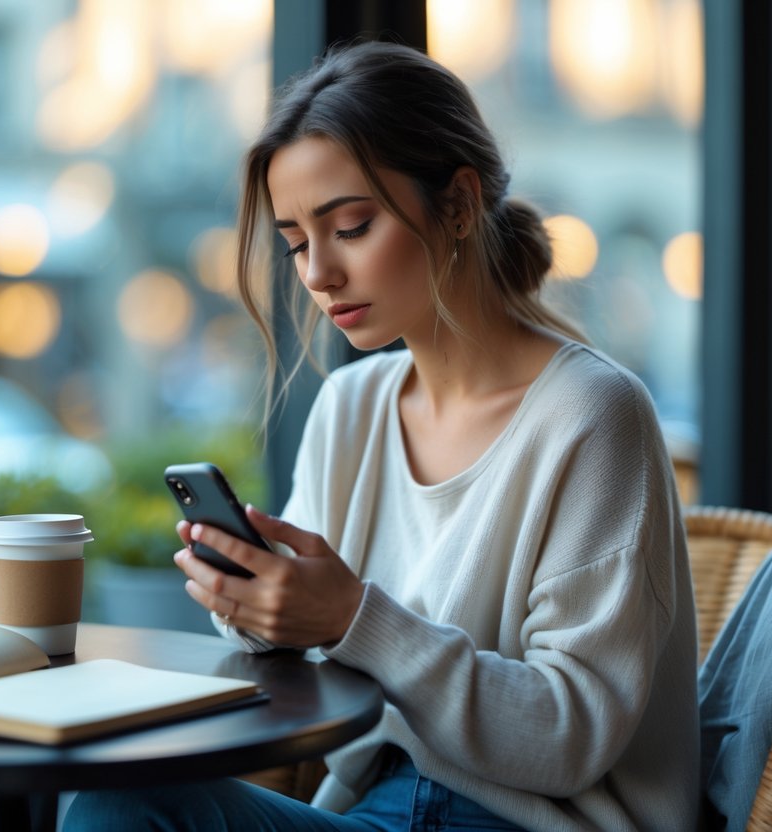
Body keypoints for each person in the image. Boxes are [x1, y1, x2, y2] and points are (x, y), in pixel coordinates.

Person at [65, 39, 699, 831]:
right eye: (297, 242)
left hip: (530, 818)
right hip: (380, 802)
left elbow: (567, 737)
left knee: (128, 808)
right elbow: (310, 636)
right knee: (120, 793)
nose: (317, 273)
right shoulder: (353, 406)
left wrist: (348, 619)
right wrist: (256, 599)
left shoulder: (592, 414)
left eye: (351, 227)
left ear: (460, 205)